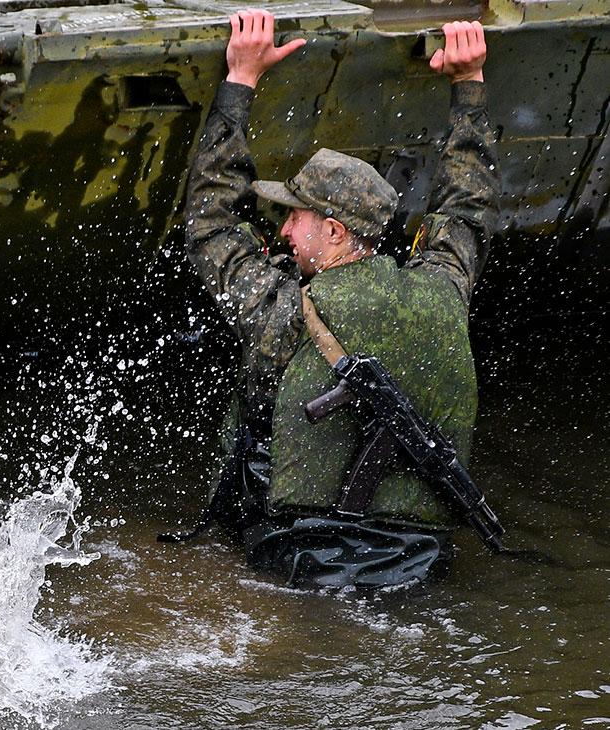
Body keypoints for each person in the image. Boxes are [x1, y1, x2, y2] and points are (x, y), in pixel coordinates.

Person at [182, 10, 500, 587]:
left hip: (306, 560)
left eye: (295, 216)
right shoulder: (444, 290)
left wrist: (239, 84)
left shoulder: (287, 313)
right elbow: (467, 209)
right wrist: (468, 85)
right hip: (417, 563)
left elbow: (211, 221)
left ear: (333, 232)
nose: (282, 231)